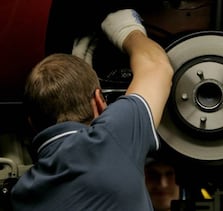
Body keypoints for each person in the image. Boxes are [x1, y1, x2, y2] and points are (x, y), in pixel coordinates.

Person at [10, 8, 173, 211]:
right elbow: (156, 65)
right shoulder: (112, 138)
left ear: (31, 122)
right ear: (98, 101)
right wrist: (128, 30)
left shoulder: (21, 197)